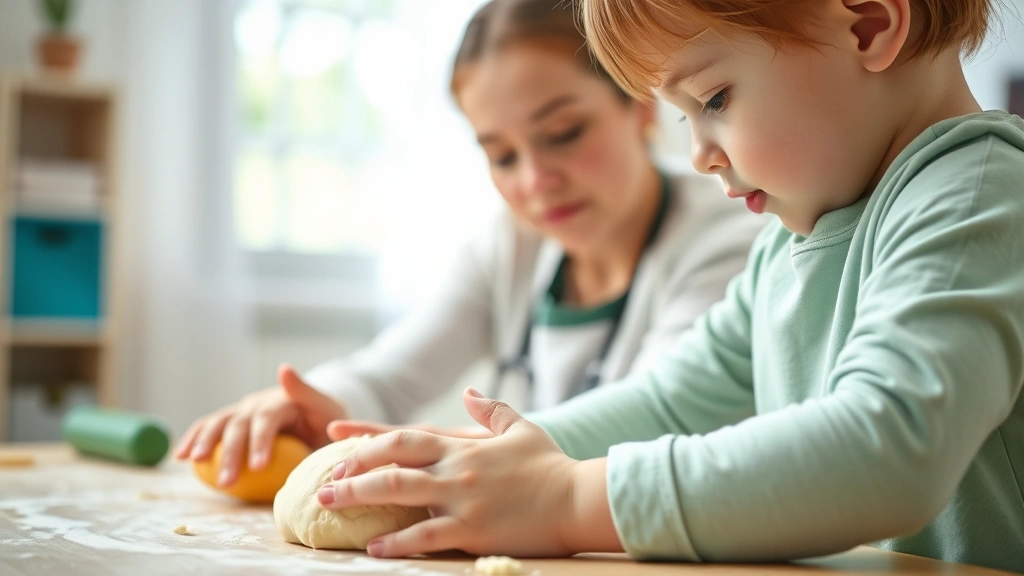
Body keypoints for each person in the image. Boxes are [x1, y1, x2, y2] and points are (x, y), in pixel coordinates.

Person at [315, 0, 1024, 572]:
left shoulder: (977, 193)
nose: (698, 154)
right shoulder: (790, 246)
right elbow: (673, 401)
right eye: (684, 114)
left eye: (714, 97)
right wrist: (481, 467)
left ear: (870, 25)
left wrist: (565, 499)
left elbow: (888, 448)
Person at [174, 0, 764, 490]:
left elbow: (653, 420)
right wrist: (317, 405)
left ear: (638, 106)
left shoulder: (729, 235)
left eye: (563, 133)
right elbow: (388, 378)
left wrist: (423, 449)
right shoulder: (510, 247)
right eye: (501, 155)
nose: (534, 182)